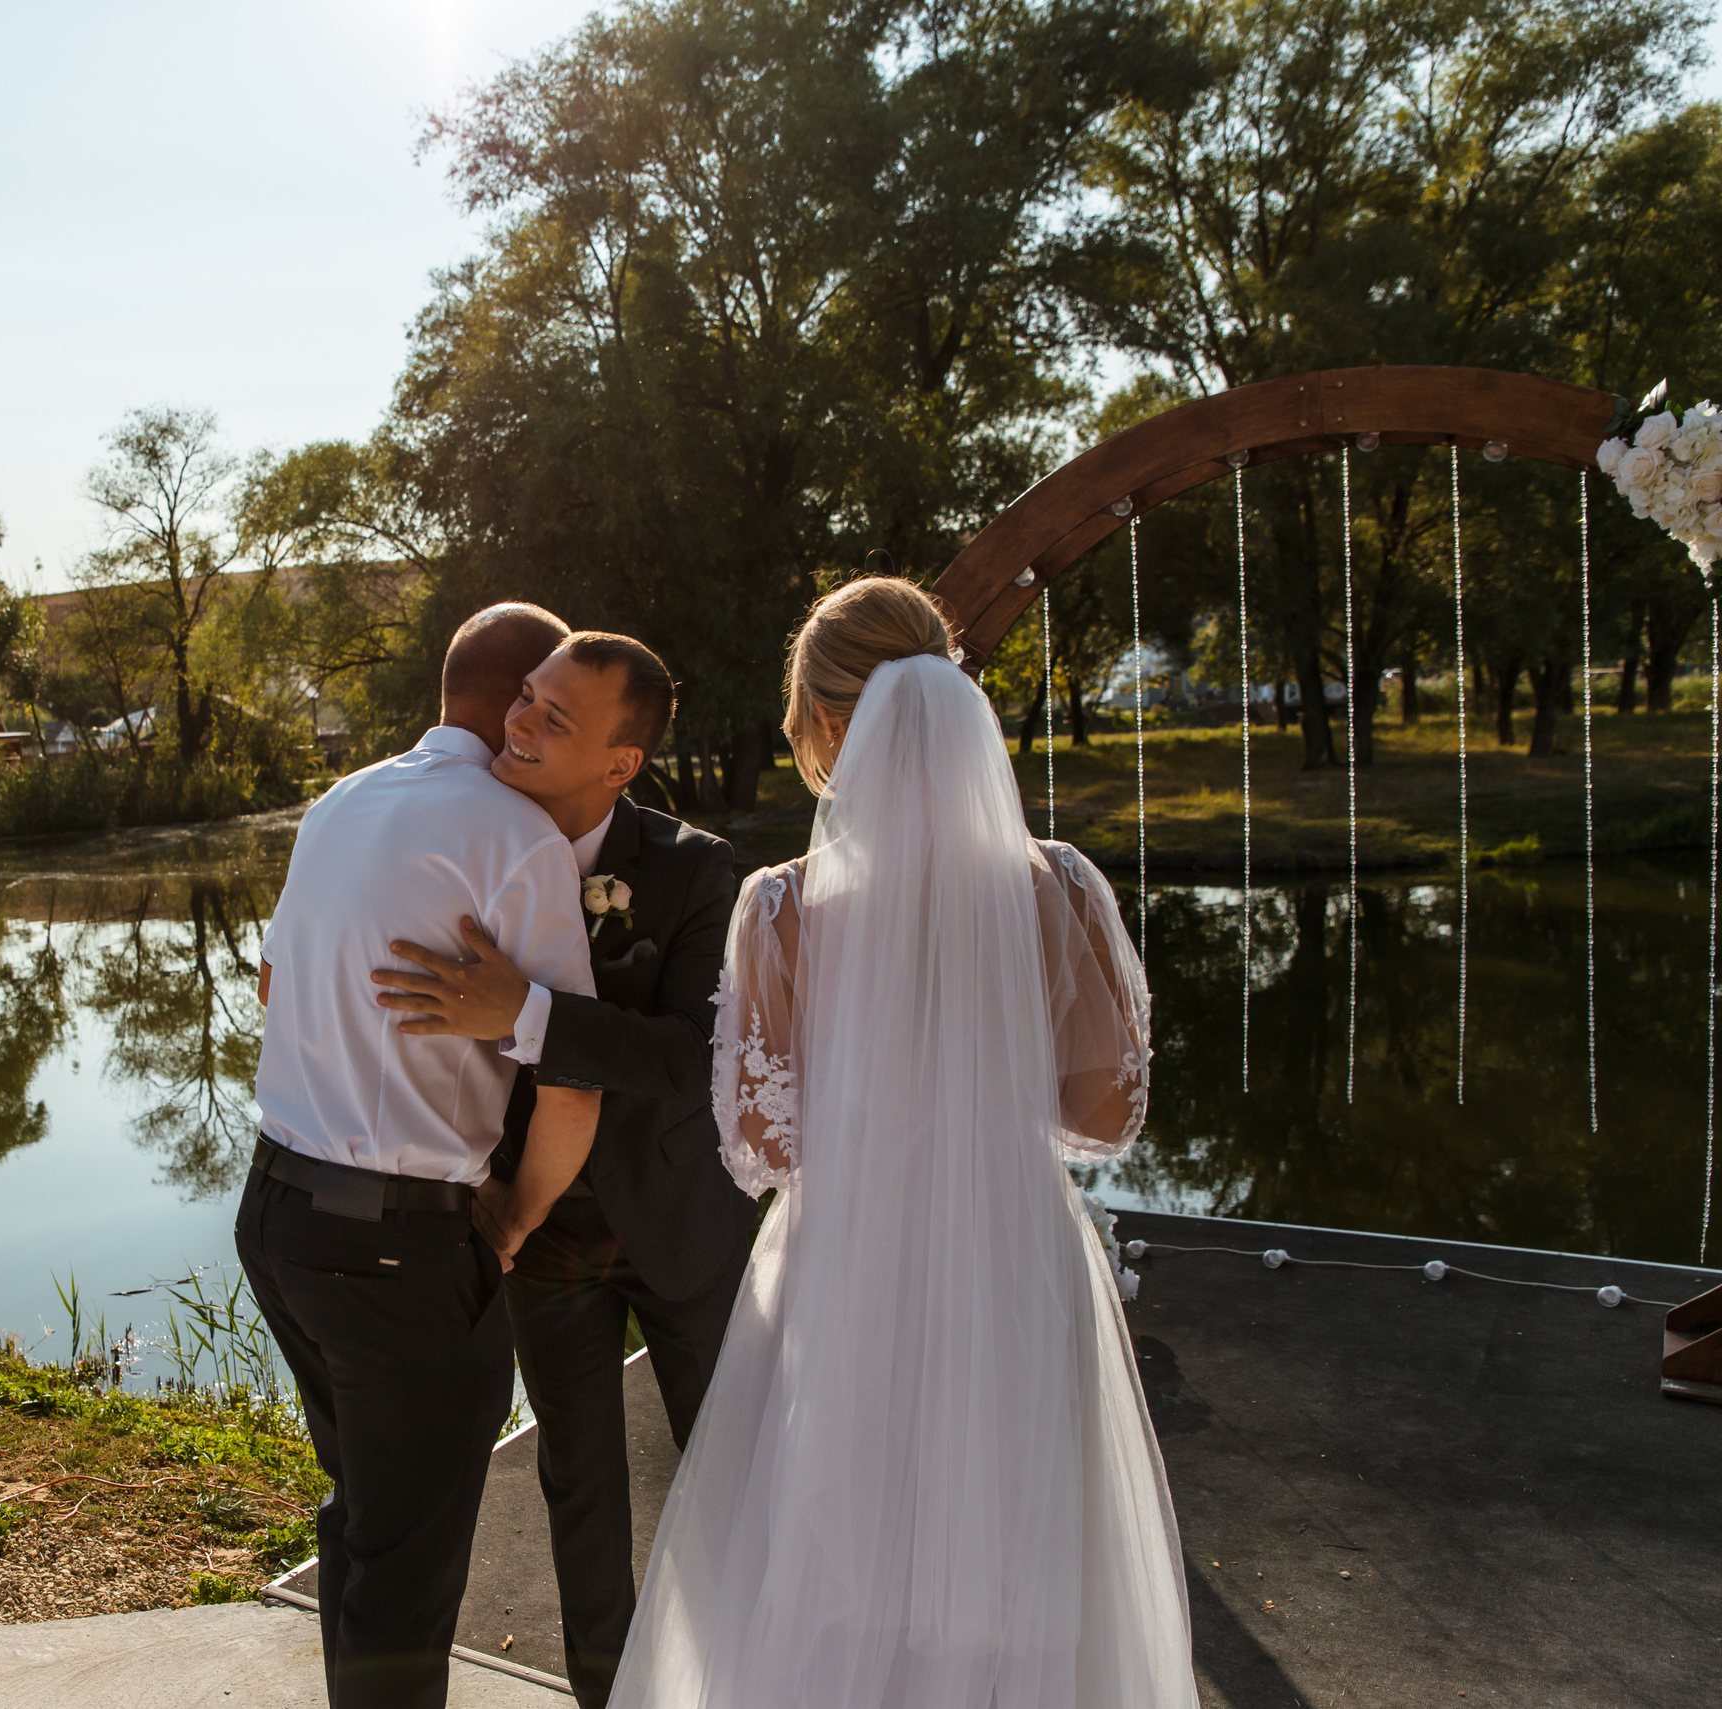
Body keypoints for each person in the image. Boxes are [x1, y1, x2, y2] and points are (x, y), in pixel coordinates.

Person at [610, 578, 1197, 1709]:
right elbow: (1104, 1119)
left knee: (840, 1581)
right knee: (1025, 1572)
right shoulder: (1060, 886)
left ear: (827, 723)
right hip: (1015, 1259)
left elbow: (760, 1148)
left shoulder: (782, 908)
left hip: (850, 1273)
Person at [370, 631, 748, 1709]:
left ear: (620, 764)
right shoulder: (473, 841)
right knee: (577, 1488)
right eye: (525, 701)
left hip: (682, 1224)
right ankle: (608, 1696)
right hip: (538, 1233)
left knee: (726, 1476)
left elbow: (690, 1057)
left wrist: (527, 1015)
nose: (520, 725)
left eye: (554, 719)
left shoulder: (694, 869)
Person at [240, 602, 605, 1709]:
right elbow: (572, 1080)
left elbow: (274, 981)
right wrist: (517, 1215)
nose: (546, 720)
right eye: (542, 699)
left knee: (366, 1513)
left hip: (277, 1217)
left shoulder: (340, 802)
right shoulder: (515, 838)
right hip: (395, 1250)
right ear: (510, 704)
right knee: (408, 1561)